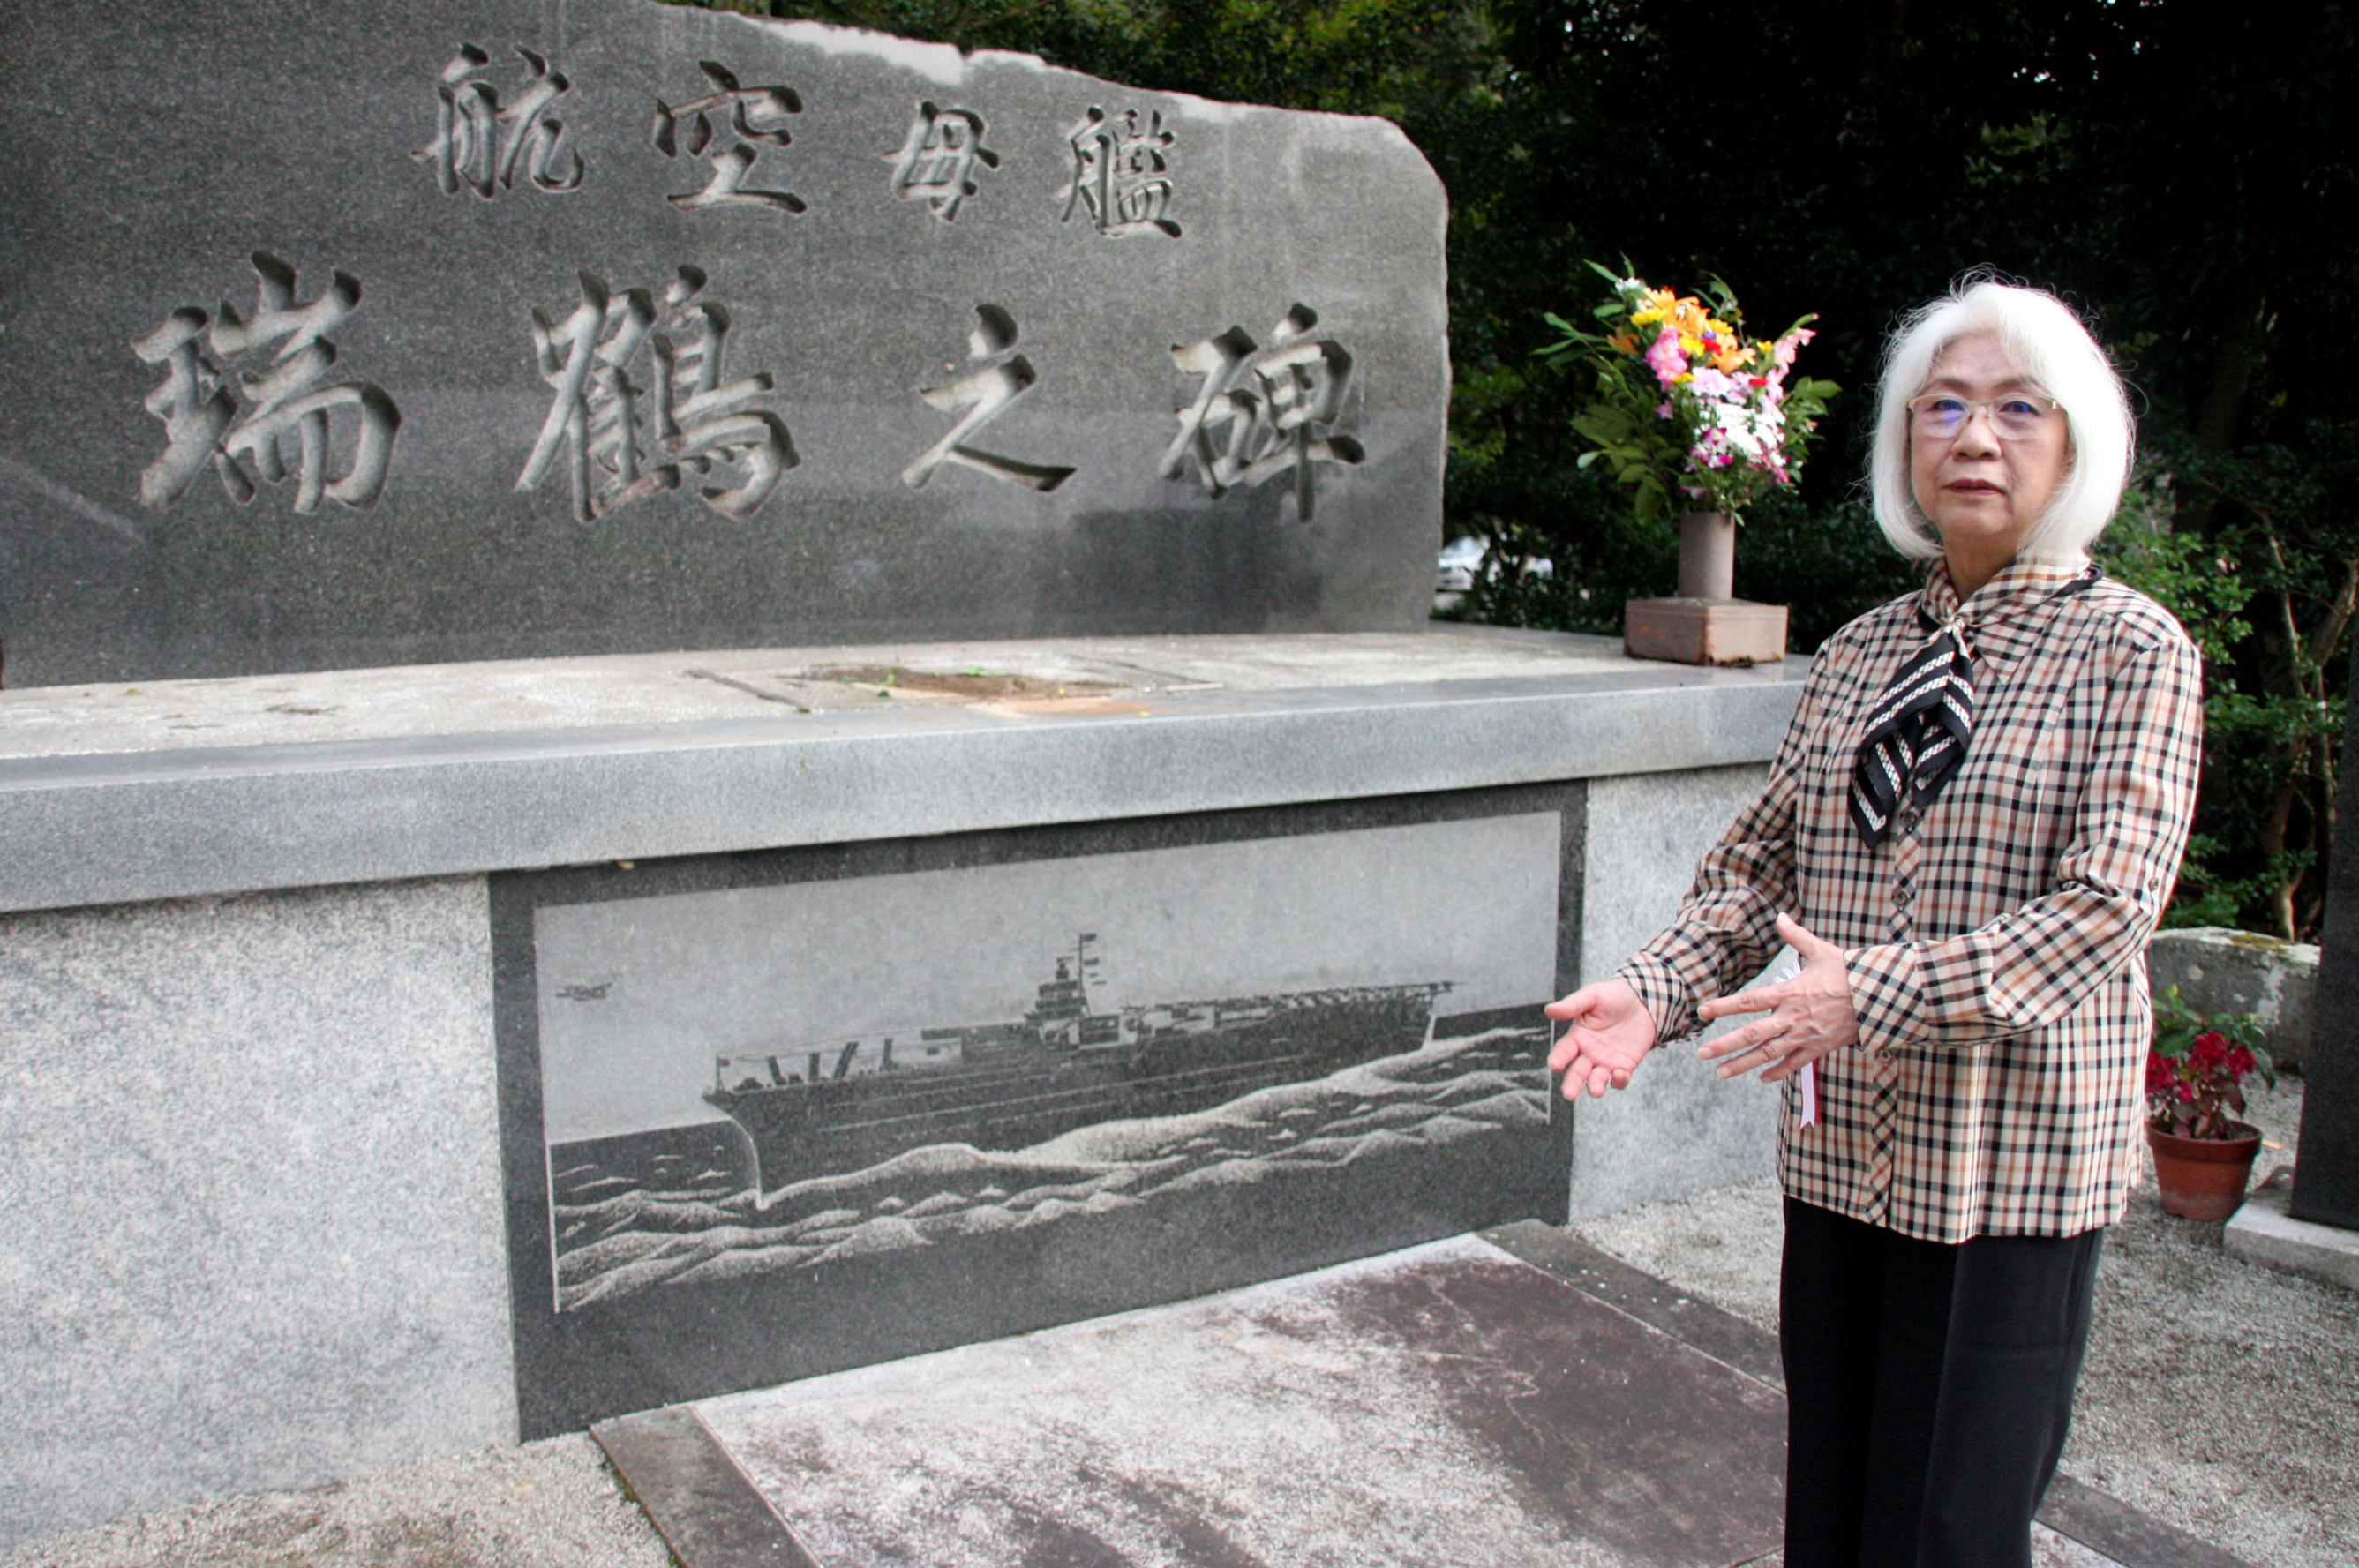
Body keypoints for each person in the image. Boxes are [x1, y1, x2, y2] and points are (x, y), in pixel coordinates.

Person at [1546, 274, 2202, 1568]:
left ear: (2075, 442)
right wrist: (1656, 989)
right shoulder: (1857, 653)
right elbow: (1760, 867)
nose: (1974, 437)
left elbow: (2106, 905)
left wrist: (1870, 995)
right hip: (1843, 1150)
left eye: (2017, 408)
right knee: (1833, 1509)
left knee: (1951, 1528)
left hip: (2009, 1163)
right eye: (1941, 407)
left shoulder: (2131, 651)